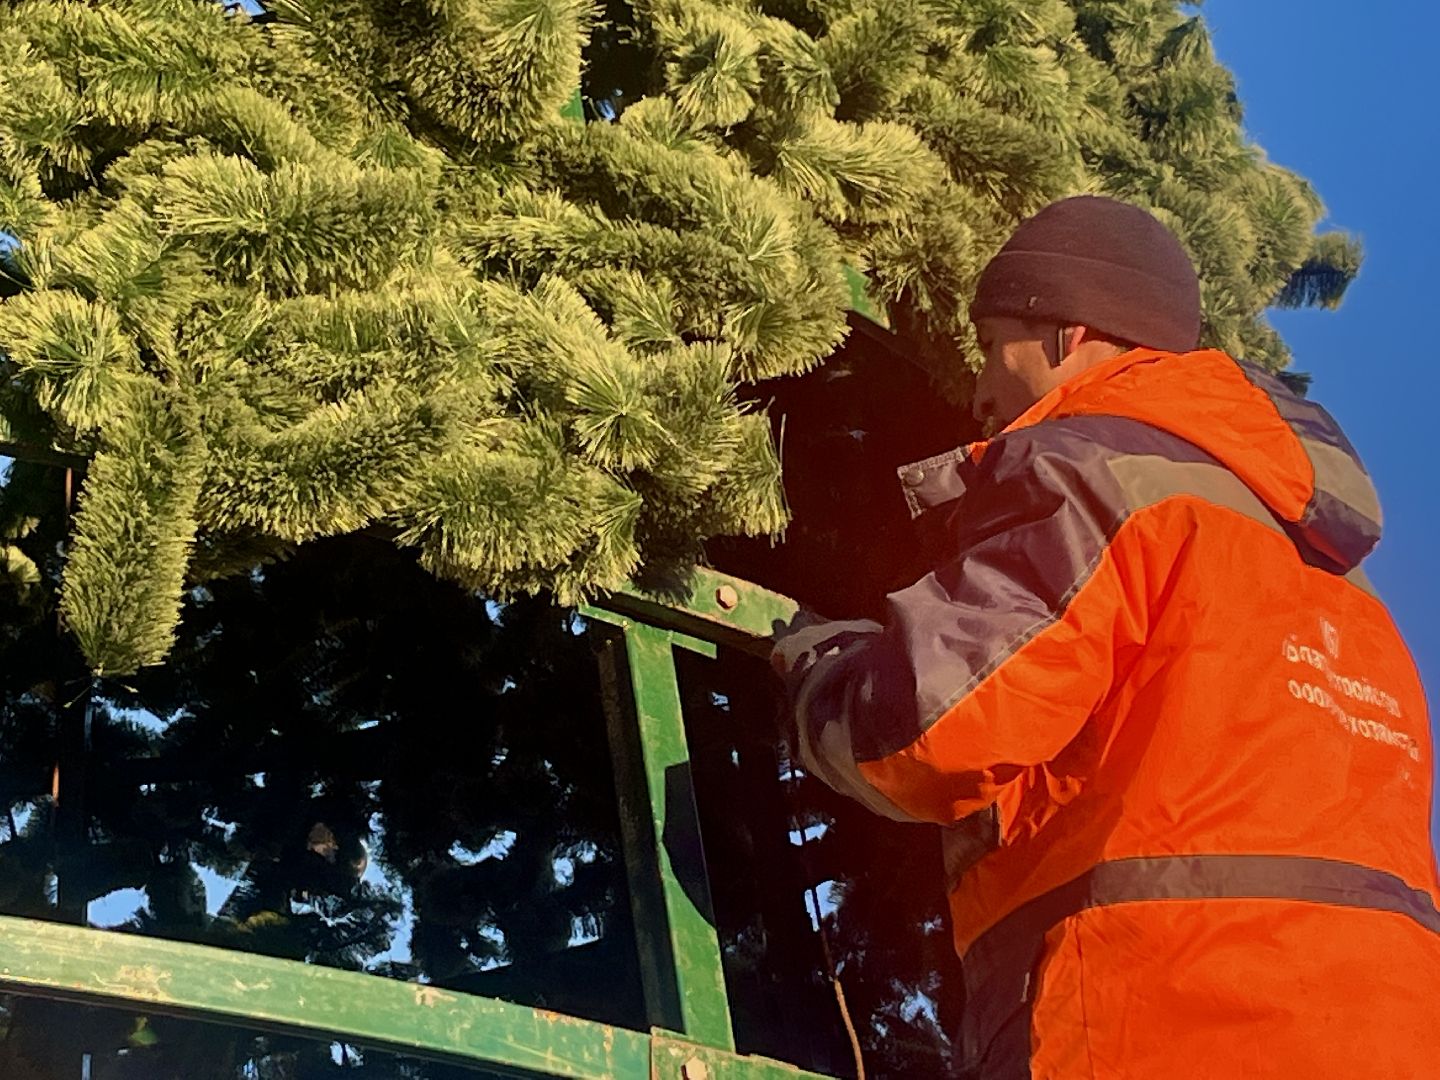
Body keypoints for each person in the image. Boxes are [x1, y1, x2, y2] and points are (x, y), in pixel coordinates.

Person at [772, 195, 1440, 1080]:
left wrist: (821, 669)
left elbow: (935, 732)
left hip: (1159, 1019)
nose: (977, 391)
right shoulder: (1343, 590)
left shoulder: (1087, 472)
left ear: (1065, 333)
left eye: (988, 346)